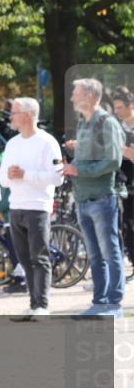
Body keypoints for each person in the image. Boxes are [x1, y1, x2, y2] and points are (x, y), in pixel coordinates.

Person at [0, 98, 63, 320]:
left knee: (39, 257)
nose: (10, 117)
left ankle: (42, 305)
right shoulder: (12, 143)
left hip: (38, 207)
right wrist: (11, 175)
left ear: (26, 115)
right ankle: (33, 305)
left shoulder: (47, 142)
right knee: (24, 259)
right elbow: (2, 179)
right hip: (16, 207)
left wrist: (26, 175)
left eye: (13, 113)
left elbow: (57, 177)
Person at [64, 78, 125, 320]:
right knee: (95, 255)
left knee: (110, 253)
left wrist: (79, 170)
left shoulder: (106, 123)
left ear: (90, 97)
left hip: (101, 198)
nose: (71, 99)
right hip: (83, 198)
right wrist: (72, 162)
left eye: (75, 94)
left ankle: (114, 304)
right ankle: (99, 303)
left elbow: (112, 161)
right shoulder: (84, 123)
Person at [113, 87, 134, 274]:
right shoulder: (117, 130)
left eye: (120, 107)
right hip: (125, 186)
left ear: (131, 106)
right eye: (115, 108)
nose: (117, 112)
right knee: (126, 225)